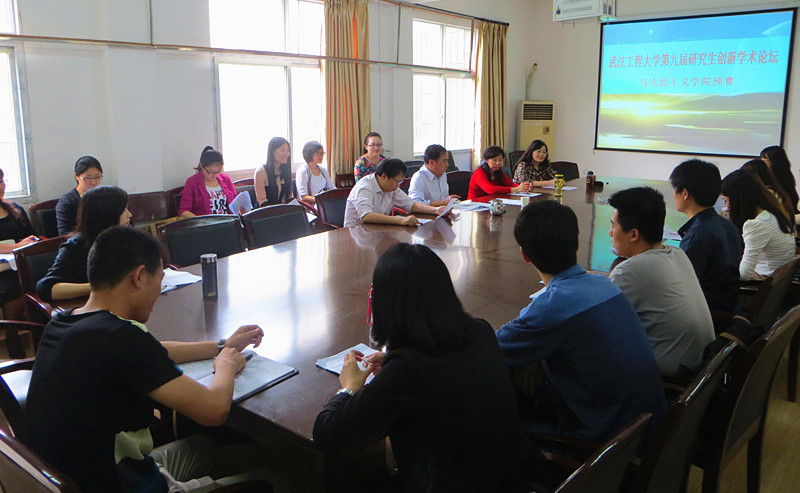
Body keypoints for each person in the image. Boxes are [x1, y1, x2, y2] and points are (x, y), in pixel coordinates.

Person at [26, 226, 269, 492]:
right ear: (140, 276)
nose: (159, 290)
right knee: (274, 476)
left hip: (86, 474)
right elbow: (214, 410)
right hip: (119, 484)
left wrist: (222, 346)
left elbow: (154, 350)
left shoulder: (64, 323)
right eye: (160, 279)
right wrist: (226, 365)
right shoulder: (122, 338)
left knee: (205, 446)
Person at [313, 243, 535, 492]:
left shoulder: (407, 369)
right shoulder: (481, 330)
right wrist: (391, 361)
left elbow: (326, 434)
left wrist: (350, 388)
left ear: (386, 304)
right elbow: (441, 368)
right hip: (513, 476)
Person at [495, 201, 666, 442]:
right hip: (650, 427)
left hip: (609, 446)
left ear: (524, 254)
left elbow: (489, 350)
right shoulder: (605, 284)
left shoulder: (551, 308)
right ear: (576, 244)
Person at [607, 187, 715, 373]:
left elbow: (602, 326)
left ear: (634, 234)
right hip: (702, 368)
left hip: (668, 377)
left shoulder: (628, 272)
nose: (610, 232)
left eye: (613, 226)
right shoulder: (677, 253)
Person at [670, 159, 743, 313]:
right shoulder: (727, 226)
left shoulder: (697, 235)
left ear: (685, 193)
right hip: (727, 304)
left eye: (675, 189)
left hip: (708, 312)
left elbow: (684, 288)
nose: (673, 194)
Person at [36, 186, 132, 302]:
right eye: (123, 210)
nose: (129, 215)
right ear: (106, 214)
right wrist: (99, 287)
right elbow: (46, 288)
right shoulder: (75, 247)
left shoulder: (128, 240)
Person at [721, 169, 796, 281]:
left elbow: (745, 274)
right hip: (780, 278)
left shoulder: (757, 224)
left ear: (739, 199)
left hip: (763, 282)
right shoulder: (773, 213)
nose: (726, 207)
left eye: (726, 201)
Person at [343, 158, 446, 228]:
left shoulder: (391, 187)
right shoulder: (364, 188)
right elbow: (367, 216)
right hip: (355, 235)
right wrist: (400, 220)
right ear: (384, 176)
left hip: (376, 232)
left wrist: (436, 210)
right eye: (397, 181)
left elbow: (411, 205)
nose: (398, 185)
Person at [0, 168, 39, 318]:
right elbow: (18, 245)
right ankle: (11, 330)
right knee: (13, 287)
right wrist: (16, 247)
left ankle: (28, 327)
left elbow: (30, 235)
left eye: (1, 181)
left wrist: (30, 241)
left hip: (16, 264)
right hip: (4, 269)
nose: (1, 186)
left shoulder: (14, 208)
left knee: (34, 278)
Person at [178, 146, 237, 218]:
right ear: (202, 166)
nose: (215, 175)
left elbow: (235, 201)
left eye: (218, 171)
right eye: (211, 171)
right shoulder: (192, 182)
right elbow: (183, 211)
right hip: (205, 223)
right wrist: (200, 221)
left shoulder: (225, 179)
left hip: (229, 221)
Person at [56, 156, 104, 235]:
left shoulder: (106, 196)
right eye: (88, 178)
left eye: (97, 177)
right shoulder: (67, 202)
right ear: (77, 176)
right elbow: (65, 233)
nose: (94, 182)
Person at [254, 137, 293, 206]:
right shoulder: (261, 172)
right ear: (272, 152)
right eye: (283, 150)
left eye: (288, 151)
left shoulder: (285, 170)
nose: (287, 154)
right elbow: (262, 202)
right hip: (264, 211)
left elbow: (290, 197)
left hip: (280, 209)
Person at [760, 145, 798, 214]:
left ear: (775, 160)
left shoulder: (778, 178)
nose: (762, 160)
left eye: (765, 158)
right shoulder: (786, 175)